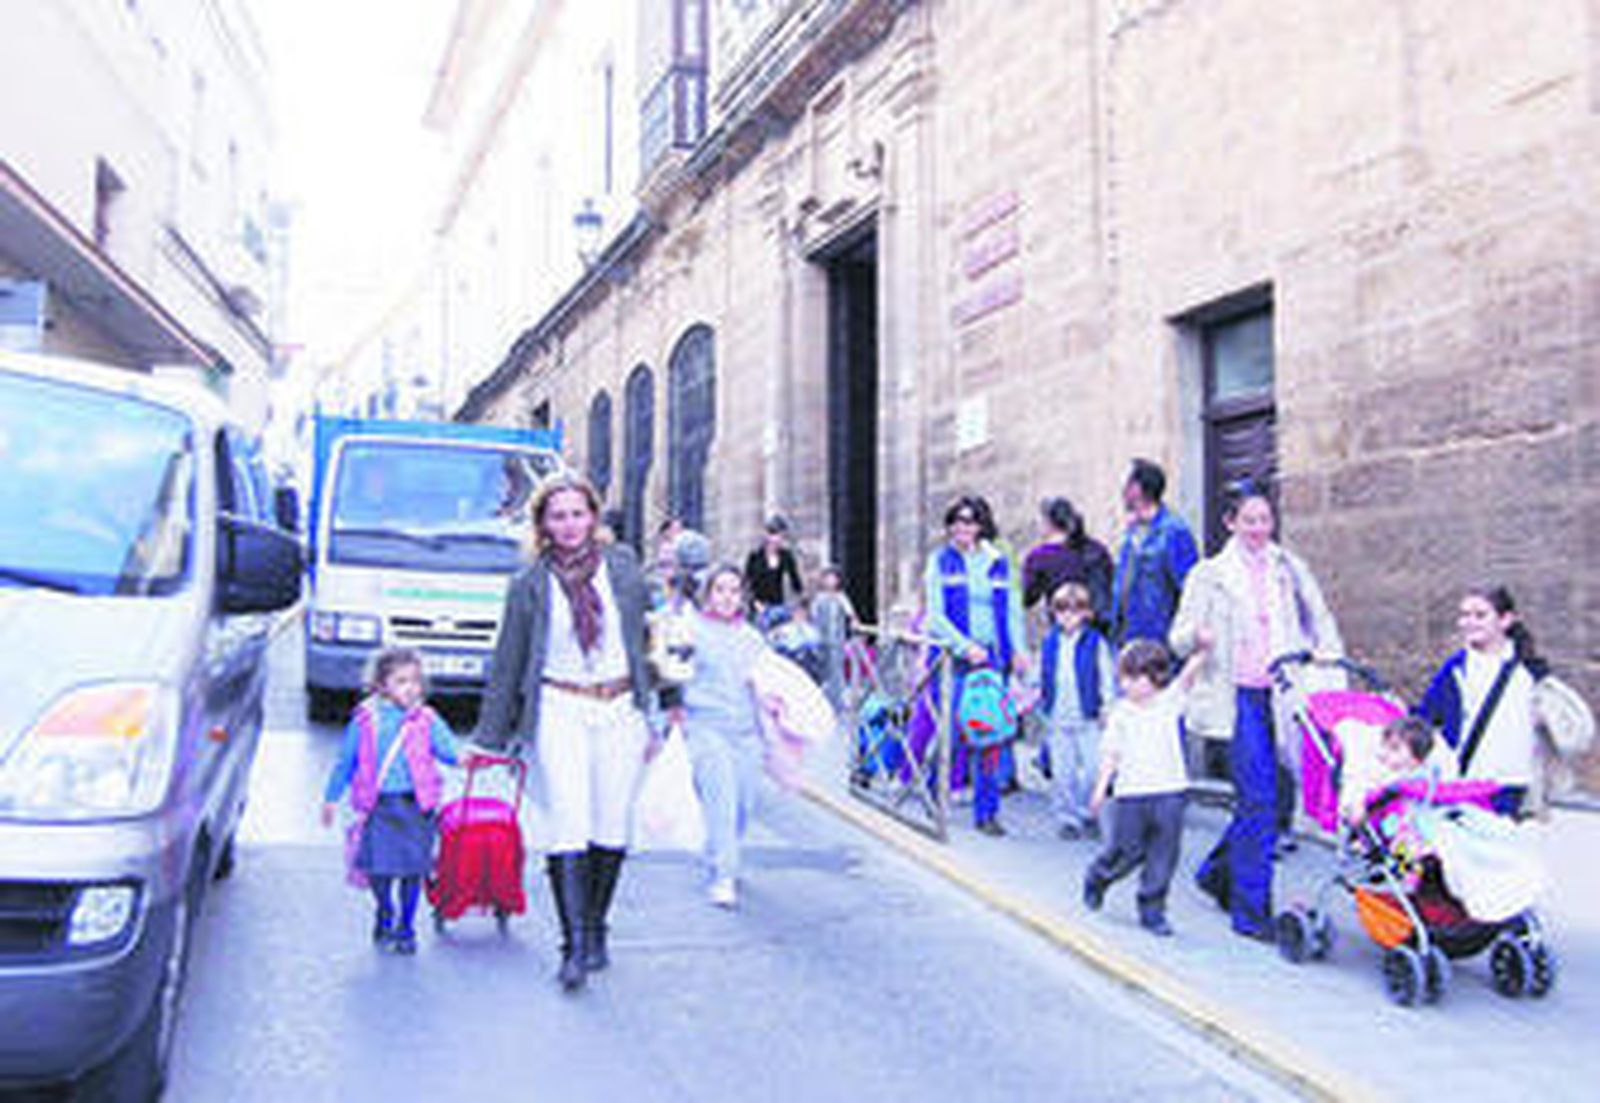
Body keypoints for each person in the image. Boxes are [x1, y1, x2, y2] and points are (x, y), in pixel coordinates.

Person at [475, 473, 658, 992]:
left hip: (620, 706)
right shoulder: (529, 585)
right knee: (569, 822)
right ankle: (573, 945)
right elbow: (508, 662)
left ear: (593, 517)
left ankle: (596, 927)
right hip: (560, 706)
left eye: (578, 513)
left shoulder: (623, 568)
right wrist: (488, 739)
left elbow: (652, 638)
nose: (570, 524)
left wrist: (667, 706)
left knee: (612, 825)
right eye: (558, 516)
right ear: (543, 525)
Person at [1170, 478, 1342, 942]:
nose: (1259, 528)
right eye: (1249, 520)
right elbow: (1178, 636)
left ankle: (1216, 872)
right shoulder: (1208, 574)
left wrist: (1328, 667)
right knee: (1260, 797)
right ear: (1231, 522)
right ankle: (1251, 911)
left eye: (1265, 519)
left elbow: (1320, 620)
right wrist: (1197, 637)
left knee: (1276, 800)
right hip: (1239, 696)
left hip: (1285, 694)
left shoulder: (1289, 567)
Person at [322, 647, 464, 955]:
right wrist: (331, 797)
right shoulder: (366, 720)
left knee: (414, 871)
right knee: (380, 870)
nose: (411, 688)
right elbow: (346, 761)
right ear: (381, 685)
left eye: (415, 681)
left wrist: (468, 759)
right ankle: (385, 909)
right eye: (401, 681)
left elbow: (448, 751)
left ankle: (406, 927)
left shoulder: (427, 719)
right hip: (380, 807)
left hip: (416, 807)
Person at [1082, 635, 1211, 936]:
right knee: (1127, 850)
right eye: (1123, 678)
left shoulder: (1170, 702)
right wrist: (1101, 787)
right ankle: (1100, 875)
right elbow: (1111, 753)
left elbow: (1188, 675)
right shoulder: (1120, 713)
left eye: (1134, 678)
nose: (1126, 685)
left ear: (1155, 677)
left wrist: (1203, 650)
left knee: (1164, 854)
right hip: (1131, 793)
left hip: (1170, 790)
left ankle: (1152, 908)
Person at [923, 495, 1028, 836]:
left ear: (981, 525)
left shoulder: (998, 562)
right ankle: (933, 789)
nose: (961, 527)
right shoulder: (940, 562)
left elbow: (1012, 610)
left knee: (988, 735)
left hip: (992, 659)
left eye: (968, 521)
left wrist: (1019, 649)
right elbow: (935, 616)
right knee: (953, 734)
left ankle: (987, 812)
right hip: (954, 660)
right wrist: (964, 647)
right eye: (955, 521)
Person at [674, 565, 772, 909]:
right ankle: (723, 875)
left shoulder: (753, 638)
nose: (727, 598)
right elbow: (672, 674)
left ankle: (720, 850)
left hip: (746, 732)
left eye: (734, 590)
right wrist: (671, 716)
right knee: (722, 801)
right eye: (720, 590)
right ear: (708, 594)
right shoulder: (691, 631)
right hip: (706, 727)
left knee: (744, 804)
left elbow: (766, 682)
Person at [1414, 585, 1548, 818]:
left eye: (1480, 615)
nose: (1469, 622)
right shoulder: (1456, 669)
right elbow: (1425, 719)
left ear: (1505, 620)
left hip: (1511, 785)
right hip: (1465, 785)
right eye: (1465, 615)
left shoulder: (1530, 671)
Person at [1037, 581, 1117, 840]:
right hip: (1058, 715)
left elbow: (1106, 675)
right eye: (1062, 608)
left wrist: (1108, 706)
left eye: (1076, 609)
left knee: (1093, 769)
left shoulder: (1095, 642)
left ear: (1086, 613)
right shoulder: (1050, 641)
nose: (1068, 615)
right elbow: (1041, 673)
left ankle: (1088, 812)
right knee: (1063, 772)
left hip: (1088, 714)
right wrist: (1033, 696)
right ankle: (1067, 818)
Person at [1111, 459, 1199, 645]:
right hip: (1127, 638)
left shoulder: (1174, 532)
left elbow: (1191, 591)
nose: (1121, 491)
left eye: (1126, 484)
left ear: (1137, 489)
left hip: (1159, 640)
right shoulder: (1131, 534)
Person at [1023, 497, 1114, 629]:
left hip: (1065, 630)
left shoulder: (1040, 557)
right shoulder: (1098, 550)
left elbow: (1027, 598)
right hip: (1100, 628)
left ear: (1048, 523)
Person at [810, 565, 860, 711]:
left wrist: (854, 627)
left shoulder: (841, 598)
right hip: (821, 640)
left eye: (833, 578)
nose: (830, 581)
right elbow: (814, 617)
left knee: (837, 671)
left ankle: (839, 700)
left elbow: (851, 615)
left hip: (837, 640)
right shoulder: (819, 599)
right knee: (823, 670)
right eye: (828, 578)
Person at [745, 514, 804, 620]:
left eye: (781, 536)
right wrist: (755, 603)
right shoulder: (755, 556)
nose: (776, 540)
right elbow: (747, 583)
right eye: (773, 534)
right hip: (759, 607)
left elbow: (796, 582)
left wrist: (797, 604)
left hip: (779, 606)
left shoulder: (786, 556)